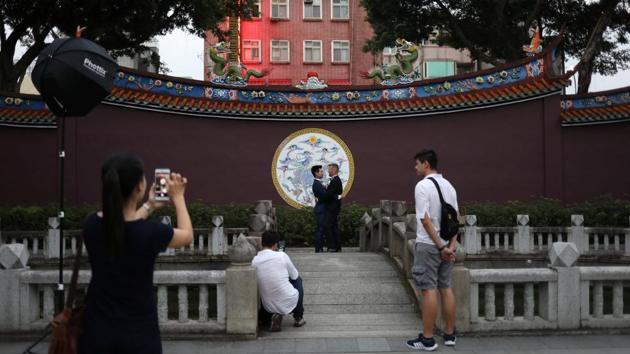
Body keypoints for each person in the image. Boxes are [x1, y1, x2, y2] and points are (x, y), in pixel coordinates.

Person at [79, 153, 193, 354]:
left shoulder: (91, 225)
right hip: (138, 334)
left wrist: (149, 206)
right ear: (140, 187)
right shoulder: (150, 233)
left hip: (96, 331)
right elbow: (186, 236)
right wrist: (179, 197)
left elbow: (122, 226)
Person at [406, 150, 459, 351]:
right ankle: (449, 334)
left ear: (426, 164)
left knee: (428, 290)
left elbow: (425, 220)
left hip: (429, 246)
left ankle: (427, 339)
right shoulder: (450, 187)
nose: (415, 167)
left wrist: (440, 246)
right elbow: (455, 219)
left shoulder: (422, 186)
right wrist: (451, 246)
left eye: (417, 164)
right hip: (446, 244)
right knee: (446, 288)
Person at [252, 231, 306, 331]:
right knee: (298, 280)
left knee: (264, 282)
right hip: (289, 301)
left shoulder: (254, 261)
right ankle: (298, 316)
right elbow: (294, 275)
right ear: (275, 244)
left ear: (261, 243)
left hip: (267, 306)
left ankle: (270, 317)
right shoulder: (282, 256)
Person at [311, 165, 331, 253]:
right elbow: (325, 195)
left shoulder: (318, 183)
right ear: (316, 173)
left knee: (322, 229)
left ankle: (320, 247)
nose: (322, 173)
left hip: (322, 209)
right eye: (321, 171)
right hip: (321, 209)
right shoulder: (317, 184)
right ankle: (318, 248)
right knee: (320, 229)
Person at [324, 163, 343, 252]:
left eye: (329, 169)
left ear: (334, 170)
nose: (328, 171)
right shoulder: (335, 180)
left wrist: (323, 192)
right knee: (334, 226)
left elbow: (329, 194)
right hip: (333, 207)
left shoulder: (335, 180)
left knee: (328, 225)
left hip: (332, 207)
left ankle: (332, 247)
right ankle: (337, 246)